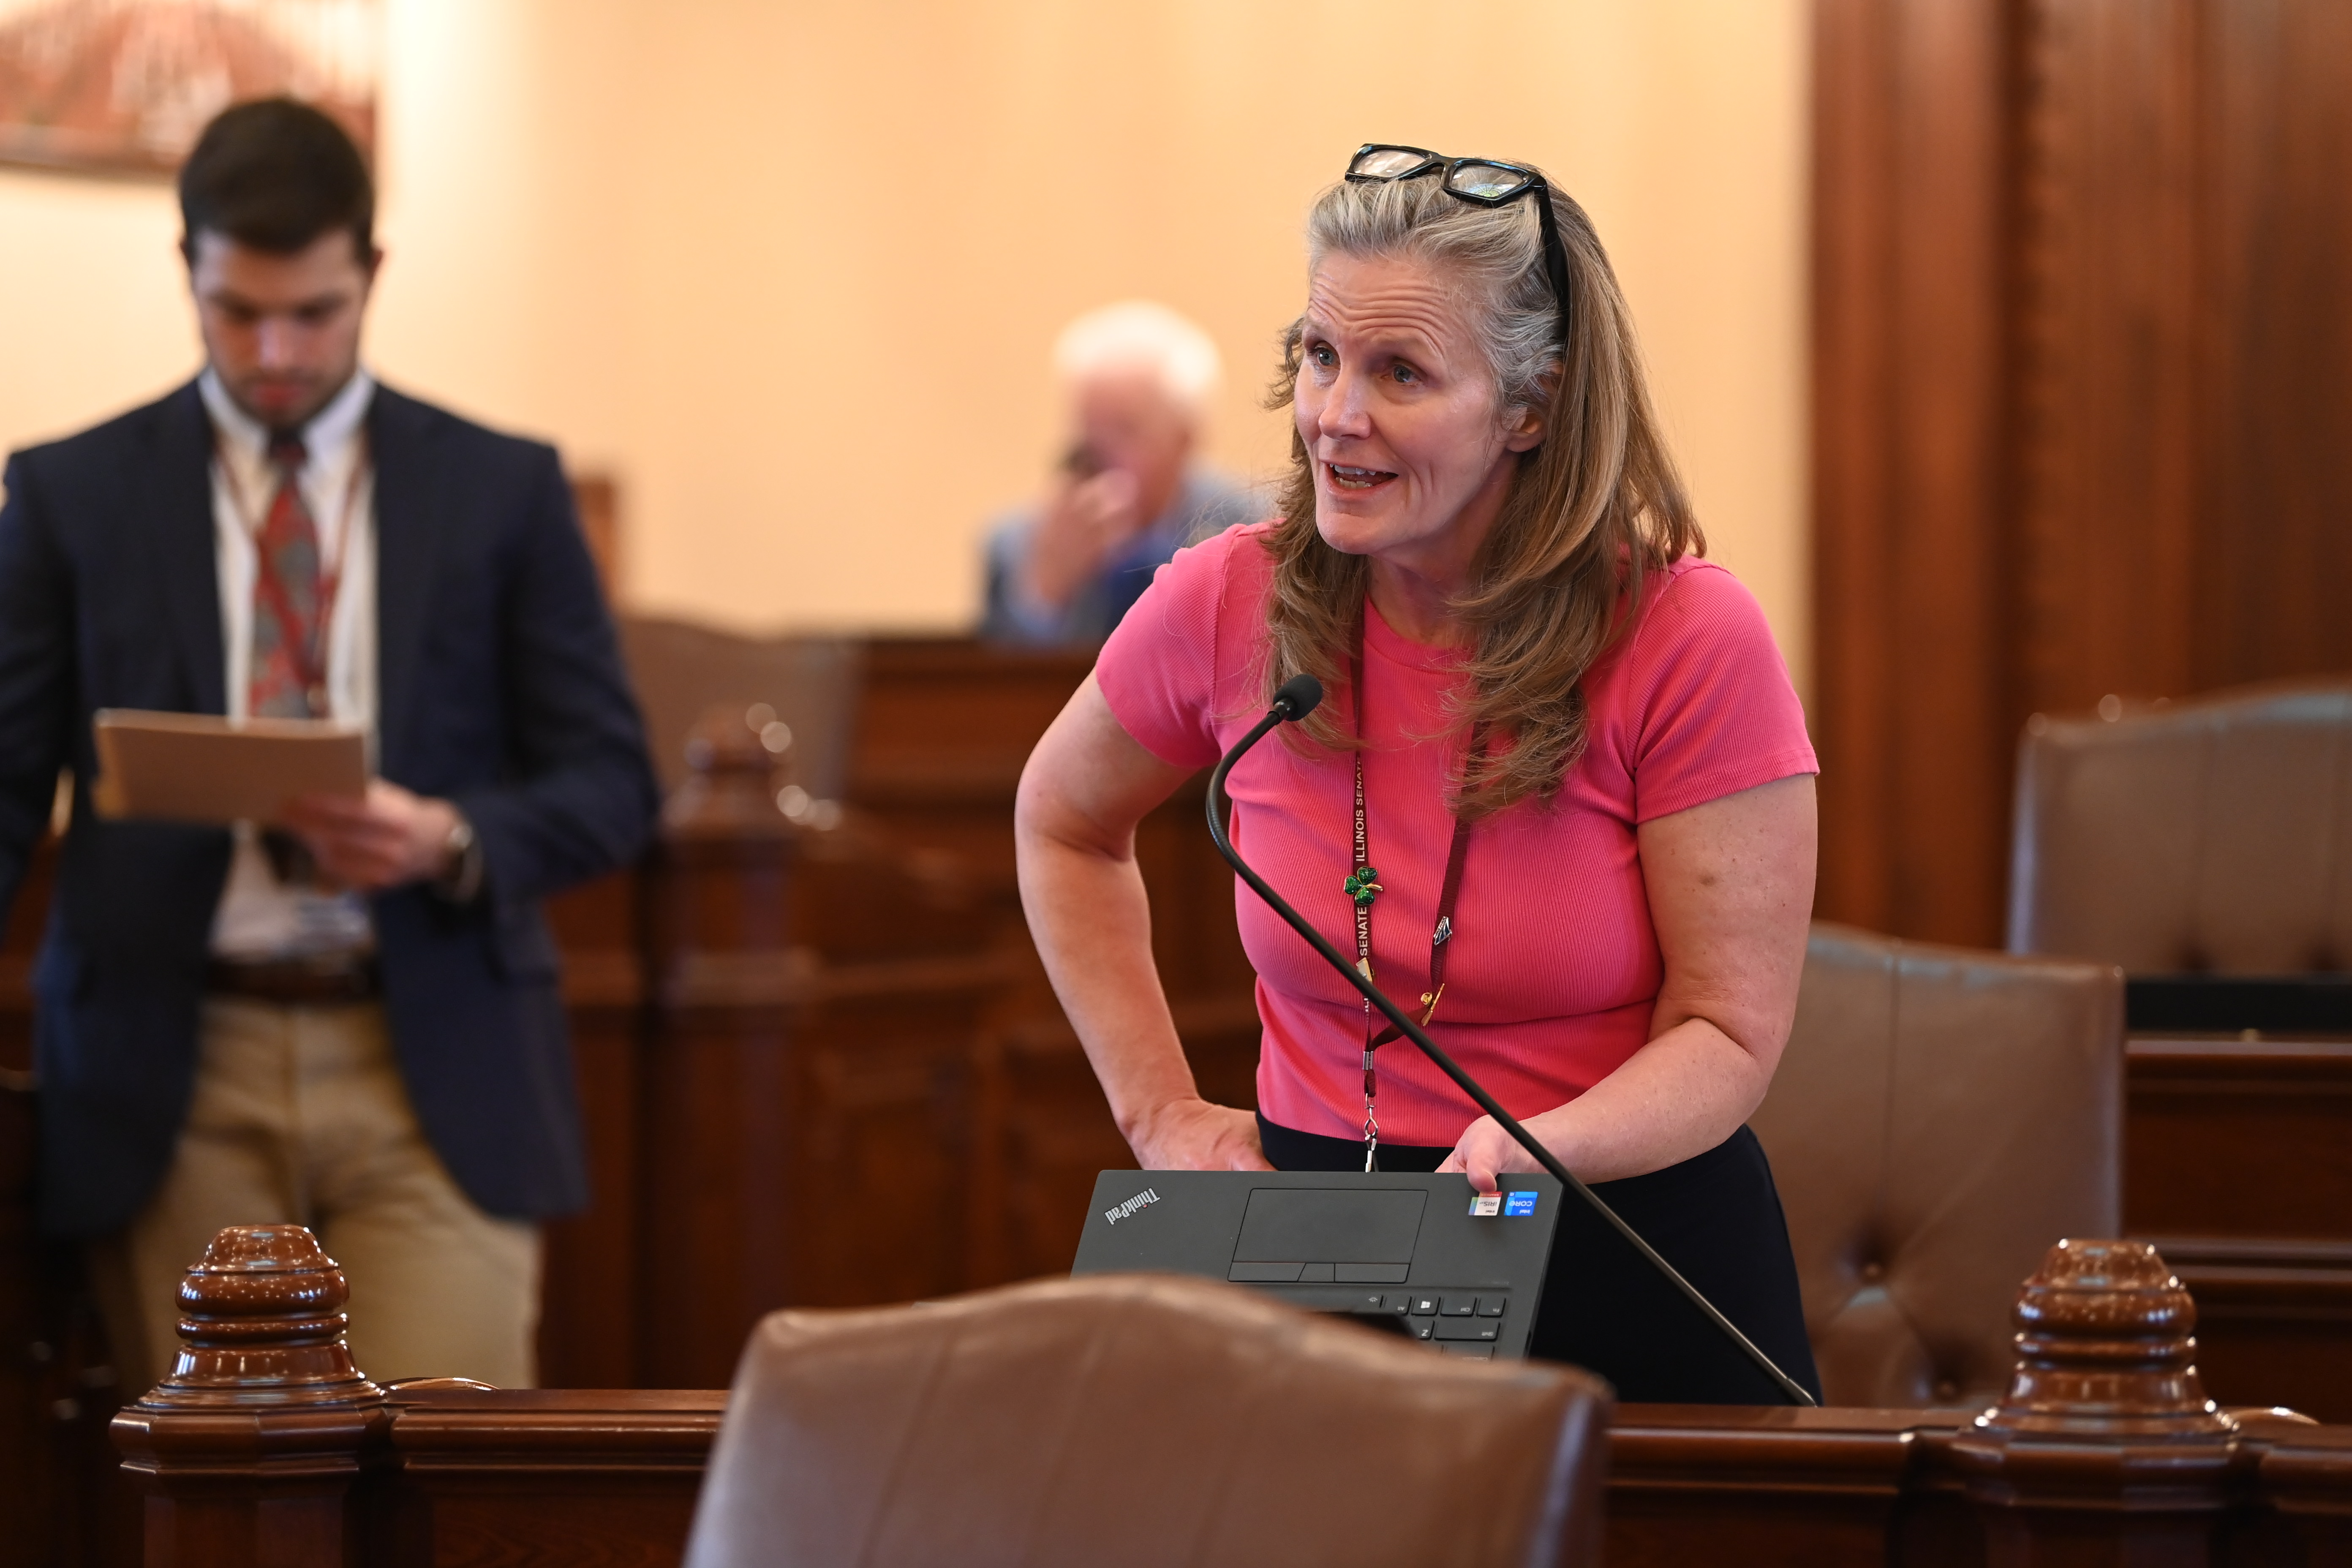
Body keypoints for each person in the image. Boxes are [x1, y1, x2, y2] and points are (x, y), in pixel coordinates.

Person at [1014, 147, 1824, 1404]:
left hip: (1609, 1237)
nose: (1338, 413)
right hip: (1303, 1252)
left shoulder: (1682, 636)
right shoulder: (1229, 597)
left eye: (1399, 372)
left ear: (1531, 407)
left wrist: (1544, 1142)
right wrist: (1157, 1111)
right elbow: (1062, 820)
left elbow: (1725, 1029)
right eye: (1319, 357)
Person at [0, 99, 659, 1393]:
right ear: (186, 272)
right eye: (238, 311)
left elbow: (613, 782)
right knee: (215, 1503)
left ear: (372, 272)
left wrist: (450, 837)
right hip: (174, 1065)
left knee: (443, 1481)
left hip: (431, 1058)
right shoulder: (70, 493)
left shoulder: (501, 487)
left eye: (314, 311)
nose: (278, 350)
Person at [979, 301, 1260, 645]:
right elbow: (995, 685)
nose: (1099, 453)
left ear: (1185, 439)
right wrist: (1045, 596)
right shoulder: (1015, 546)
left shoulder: (1253, 533)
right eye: (1088, 429)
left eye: (1125, 431)